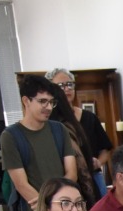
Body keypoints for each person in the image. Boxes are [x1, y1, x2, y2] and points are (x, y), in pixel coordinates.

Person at [0, 75, 80, 211]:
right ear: (26, 101)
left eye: (51, 102)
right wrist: (48, 208)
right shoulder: (10, 136)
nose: (49, 107)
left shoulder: (59, 130)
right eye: (42, 101)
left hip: (65, 208)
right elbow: (21, 184)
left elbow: (71, 173)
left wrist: (60, 204)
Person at [47, 67, 114, 195]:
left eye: (69, 84)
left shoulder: (89, 117)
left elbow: (106, 149)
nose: (66, 89)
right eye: (61, 85)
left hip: (92, 175)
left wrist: (98, 161)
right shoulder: (50, 120)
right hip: (65, 179)